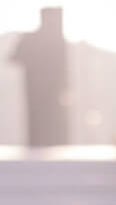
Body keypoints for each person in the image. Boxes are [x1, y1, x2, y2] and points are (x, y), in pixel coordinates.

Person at [9, 8, 70, 146]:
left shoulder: (56, 42)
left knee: (49, 125)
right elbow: (13, 58)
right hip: (38, 95)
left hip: (49, 95)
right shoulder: (33, 39)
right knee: (41, 124)